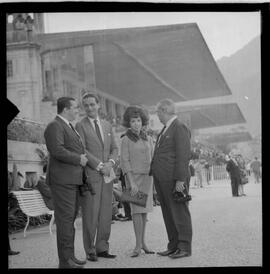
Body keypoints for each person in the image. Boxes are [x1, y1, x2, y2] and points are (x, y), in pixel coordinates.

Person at [44, 96, 88, 268]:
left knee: (69, 221)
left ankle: (70, 256)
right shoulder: (54, 126)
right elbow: (57, 150)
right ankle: (65, 261)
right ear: (65, 109)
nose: (78, 110)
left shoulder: (67, 126)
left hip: (71, 180)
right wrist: (79, 159)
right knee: (65, 220)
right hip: (62, 181)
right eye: (75, 107)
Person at [75, 92, 118, 262]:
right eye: (86, 105)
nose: (89, 108)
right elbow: (82, 149)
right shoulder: (81, 125)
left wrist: (111, 163)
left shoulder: (107, 125)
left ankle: (102, 248)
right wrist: (100, 165)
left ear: (98, 105)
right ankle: (90, 250)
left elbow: (115, 148)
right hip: (92, 175)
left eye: (92, 104)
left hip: (108, 175)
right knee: (91, 215)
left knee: (106, 214)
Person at [149, 98, 192, 259]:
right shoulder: (166, 129)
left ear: (165, 110)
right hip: (163, 178)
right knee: (168, 213)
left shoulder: (179, 127)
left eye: (158, 112)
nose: (157, 115)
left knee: (179, 213)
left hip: (174, 179)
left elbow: (183, 155)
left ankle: (184, 247)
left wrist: (180, 180)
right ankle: (173, 245)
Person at [120, 105, 155, 257]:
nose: (136, 123)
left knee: (144, 212)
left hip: (147, 178)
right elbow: (124, 161)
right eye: (133, 121)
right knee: (136, 212)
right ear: (129, 122)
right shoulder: (126, 139)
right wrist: (132, 182)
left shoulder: (148, 137)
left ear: (143, 122)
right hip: (133, 179)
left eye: (138, 120)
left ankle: (143, 243)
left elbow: (153, 158)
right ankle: (137, 245)